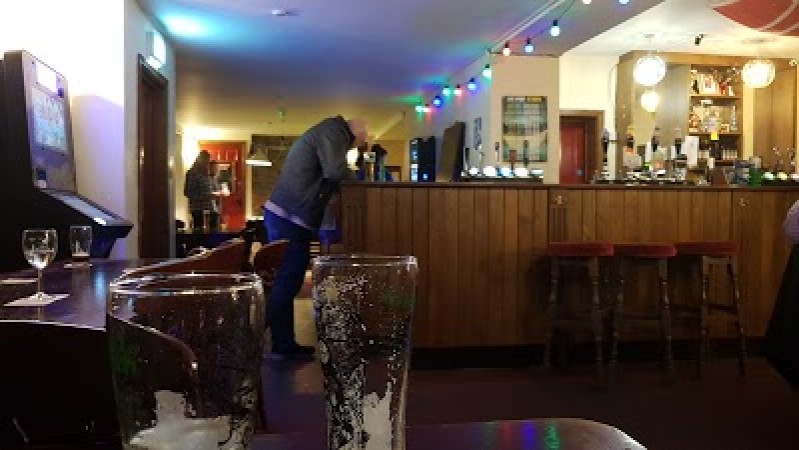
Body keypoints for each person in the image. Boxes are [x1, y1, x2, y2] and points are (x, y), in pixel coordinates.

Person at [263, 116, 368, 358]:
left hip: (288, 217)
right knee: (287, 281)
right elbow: (335, 171)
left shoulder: (328, 132)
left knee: (288, 281)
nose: (351, 149)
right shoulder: (334, 131)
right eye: (356, 145)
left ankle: (275, 342)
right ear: (354, 136)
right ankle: (270, 343)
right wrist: (361, 185)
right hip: (288, 217)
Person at [184, 150, 219, 229]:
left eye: (208, 161)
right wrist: (205, 196)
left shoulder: (207, 174)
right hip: (198, 209)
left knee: (214, 230)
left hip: (211, 208)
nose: (207, 163)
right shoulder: (192, 173)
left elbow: (210, 189)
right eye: (206, 161)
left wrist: (215, 194)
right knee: (200, 231)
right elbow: (188, 192)